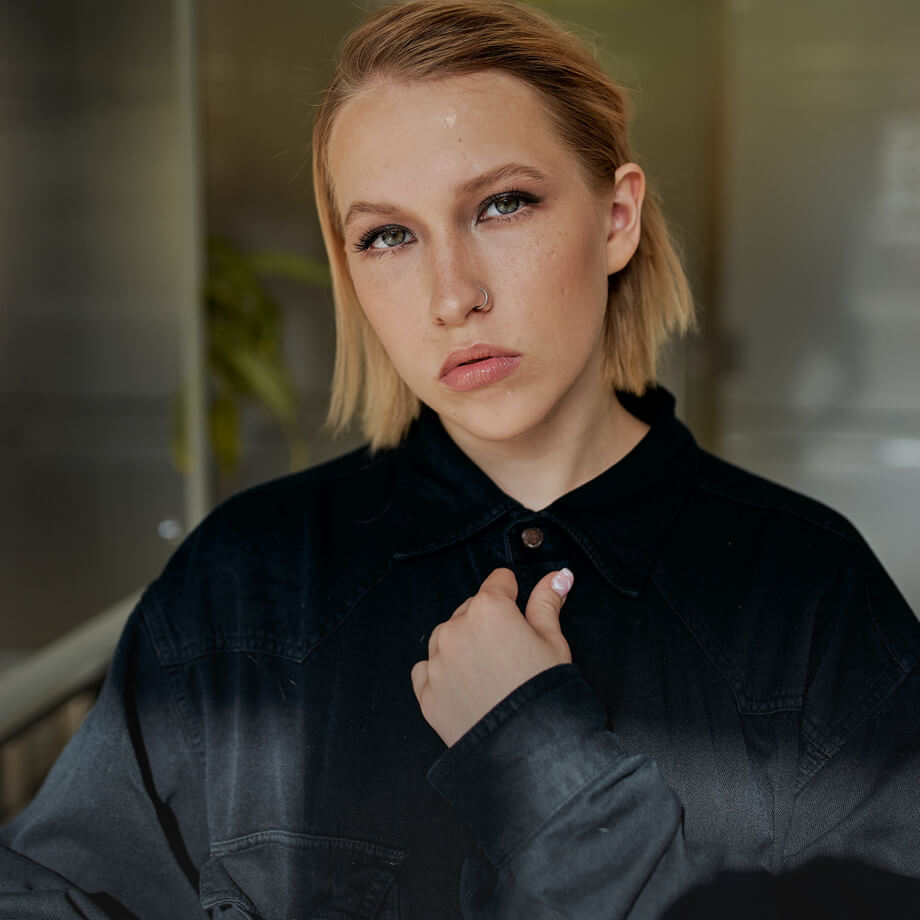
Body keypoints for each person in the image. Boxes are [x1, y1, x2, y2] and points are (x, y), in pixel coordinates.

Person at [2, 1, 919, 917]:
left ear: (616, 219)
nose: (452, 296)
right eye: (388, 236)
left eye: (502, 204)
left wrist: (537, 755)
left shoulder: (814, 596)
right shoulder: (242, 582)